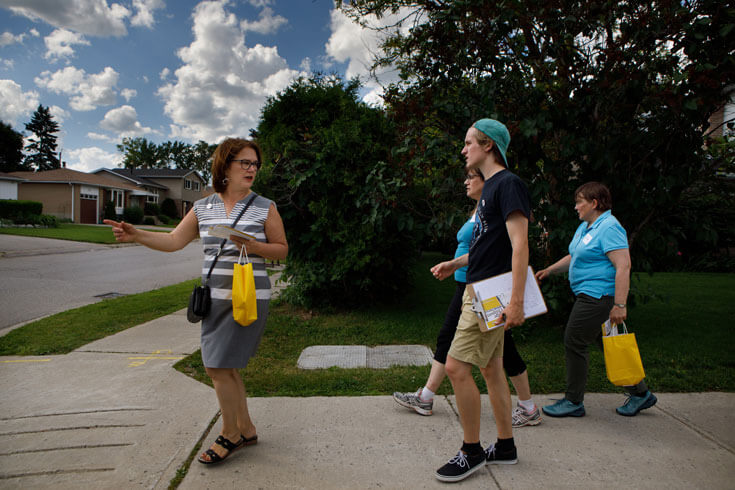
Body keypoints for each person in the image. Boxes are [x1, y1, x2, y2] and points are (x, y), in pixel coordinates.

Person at [104, 138, 288, 465]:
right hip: (213, 297)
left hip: (247, 297)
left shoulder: (264, 206)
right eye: (244, 163)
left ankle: (230, 434)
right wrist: (137, 236)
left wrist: (251, 245)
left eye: (254, 164)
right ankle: (245, 428)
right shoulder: (203, 207)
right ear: (225, 166)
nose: (251, 169)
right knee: (224, 366)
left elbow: (282, 249)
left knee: (216, 365)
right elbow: (174, 240)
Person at [392, 171, 541, 429]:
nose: (466, 181)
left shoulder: (496, 207)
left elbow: (496, 249)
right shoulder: (479, 210)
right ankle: (428, 397)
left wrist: (455, 264)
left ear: (487, 181)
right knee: (494, 350)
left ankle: (524, 409)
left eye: (472, 176)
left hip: (484, 286)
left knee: (482, 351)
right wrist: (453, 264)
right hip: (468, 283)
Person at [434, 119, 530, 483]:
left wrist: (517, 301)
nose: (463, 149)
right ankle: (505, 446)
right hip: (480, 289)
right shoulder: (491, 189)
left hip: (490, 293)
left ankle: (471, 451)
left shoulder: (508, 184)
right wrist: (454, 263)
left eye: (468, 141)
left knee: (457, 367)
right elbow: (487, 246)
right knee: (491, 369)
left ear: (488, 145)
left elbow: (520, 244)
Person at [536, 181, 657, 418]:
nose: (576, 206)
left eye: (580, 201)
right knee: (610, 346)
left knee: (574, 341)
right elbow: (575, 255)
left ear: (594, 203)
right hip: (590, 295)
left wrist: (620, 304)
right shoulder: (588, 227)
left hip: (598, 297)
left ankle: (573, 401)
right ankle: (641, 394)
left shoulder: (610, 227)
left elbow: (623, 266)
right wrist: (550, 270)